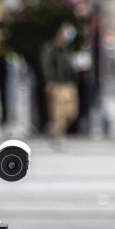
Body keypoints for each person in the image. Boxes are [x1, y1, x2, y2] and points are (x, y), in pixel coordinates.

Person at [41, 22, 78, 150]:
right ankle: (59, 136)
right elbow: (47, 66)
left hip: (69, 84)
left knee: (72, 113)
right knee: (60, 113)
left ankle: (54, 128)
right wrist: (50, 81)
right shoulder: (52, 48)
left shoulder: (67, 49)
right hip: (58, 84)